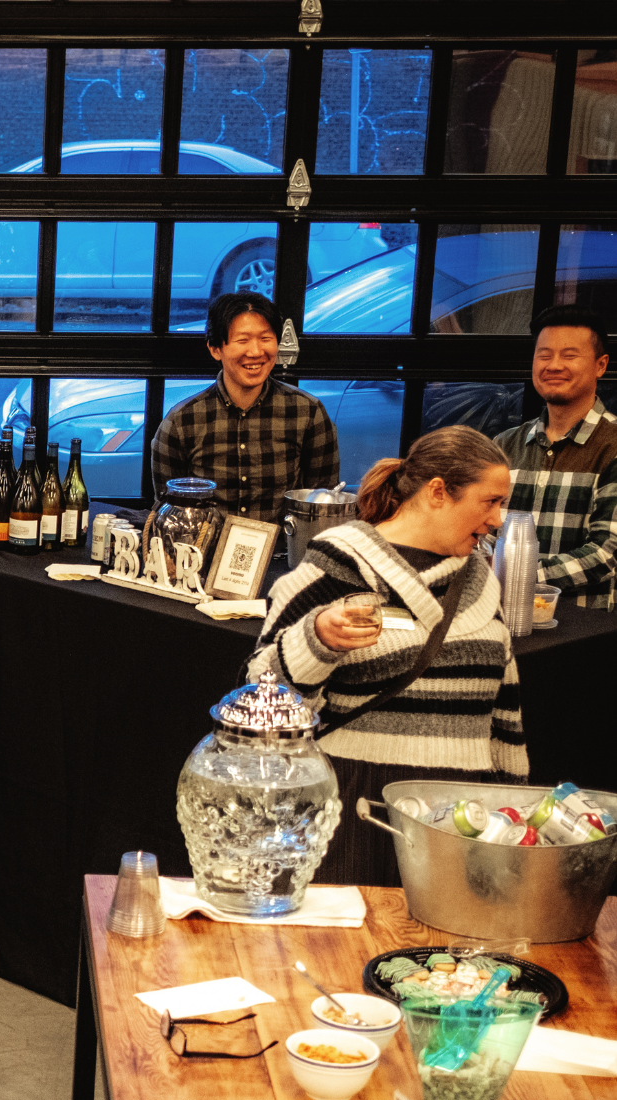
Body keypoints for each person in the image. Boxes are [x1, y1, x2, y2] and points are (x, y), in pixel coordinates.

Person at [252, 425, 528, 886]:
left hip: (459, 828)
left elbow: (506, 709)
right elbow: (258, 694)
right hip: (351, 815)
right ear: (438, 492)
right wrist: (316, 639)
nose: (499, 520)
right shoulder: (337, 566)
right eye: (491, 502)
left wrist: (513, 815)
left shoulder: (480, 582)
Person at [150, 290, 340, 522]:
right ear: (215, 348)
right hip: (204, 552)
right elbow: (169, 513)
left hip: (282, 551)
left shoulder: (308, 412)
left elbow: (323, 505)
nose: (256, 352)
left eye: (265, 338)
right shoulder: (182, 420)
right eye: (243, 340)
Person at [493, 303, 617, 609]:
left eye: (569, 355)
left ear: (600, 365)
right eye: (544, 355)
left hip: (581, 634)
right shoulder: (504, 445)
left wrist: (507, 574)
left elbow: (606, 554)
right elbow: (478, 531)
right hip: (497, 619)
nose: (553, 365)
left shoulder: (612, 445)